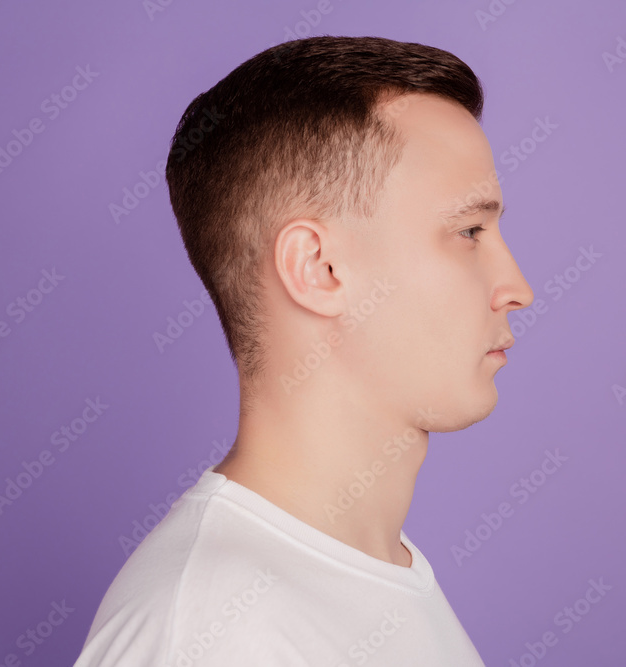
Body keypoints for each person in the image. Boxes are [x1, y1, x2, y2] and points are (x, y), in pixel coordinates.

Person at [73, 34, 533, 666]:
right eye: (469, 231)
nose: (517, 288)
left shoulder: (367, 571)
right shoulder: (215, 631)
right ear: (318, 268)